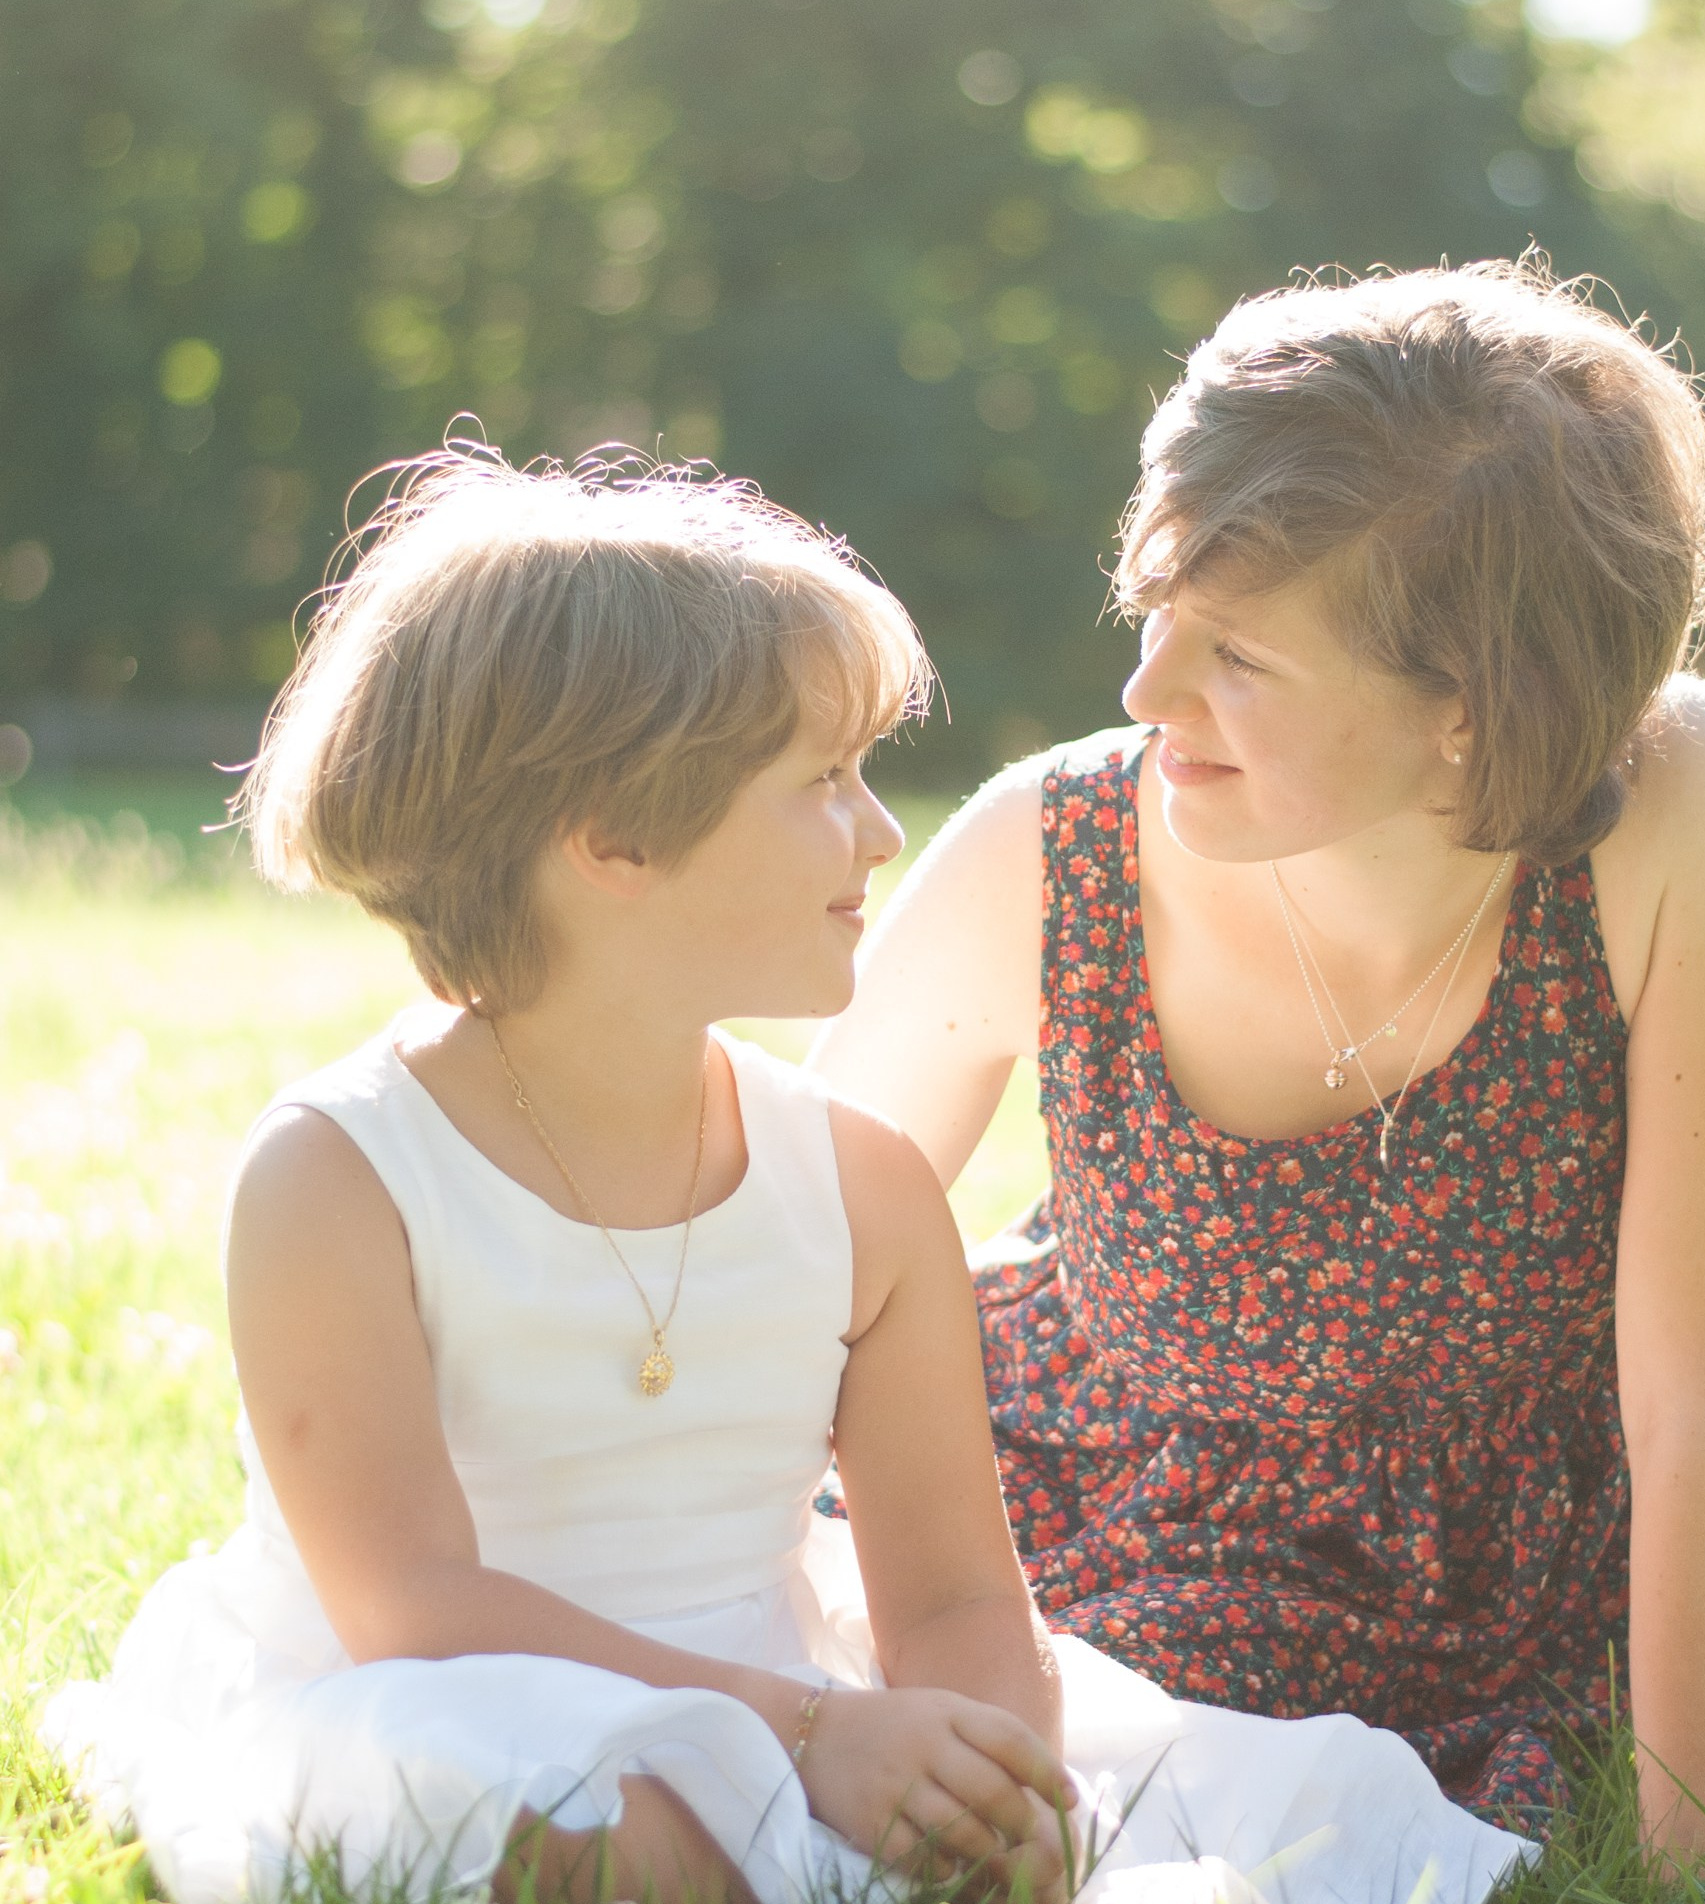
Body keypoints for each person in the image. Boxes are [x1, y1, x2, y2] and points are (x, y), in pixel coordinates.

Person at [46, 450, 1532, 1904]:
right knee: (574, 1823)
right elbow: (414, 1613)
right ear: (615, 835)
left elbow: (954, 1598)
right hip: (439, 1697)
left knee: (1168, 1812)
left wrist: (980, 1768)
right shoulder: (341, 1176)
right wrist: (805, 1736)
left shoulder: (861, 1189)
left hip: (782, 1690)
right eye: (824, 780)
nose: (881, 832)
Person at [811, 258, 1705, 1870]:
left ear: (1473, 705)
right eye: (1159, 610)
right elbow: (781, 1265)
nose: (1144, 690)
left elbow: (1699, 1410)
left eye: (1240, 656)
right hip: (1085, 1529)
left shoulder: (1678, 806)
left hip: (1500, 1598)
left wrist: (1691, 1870)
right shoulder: (1052, 852)